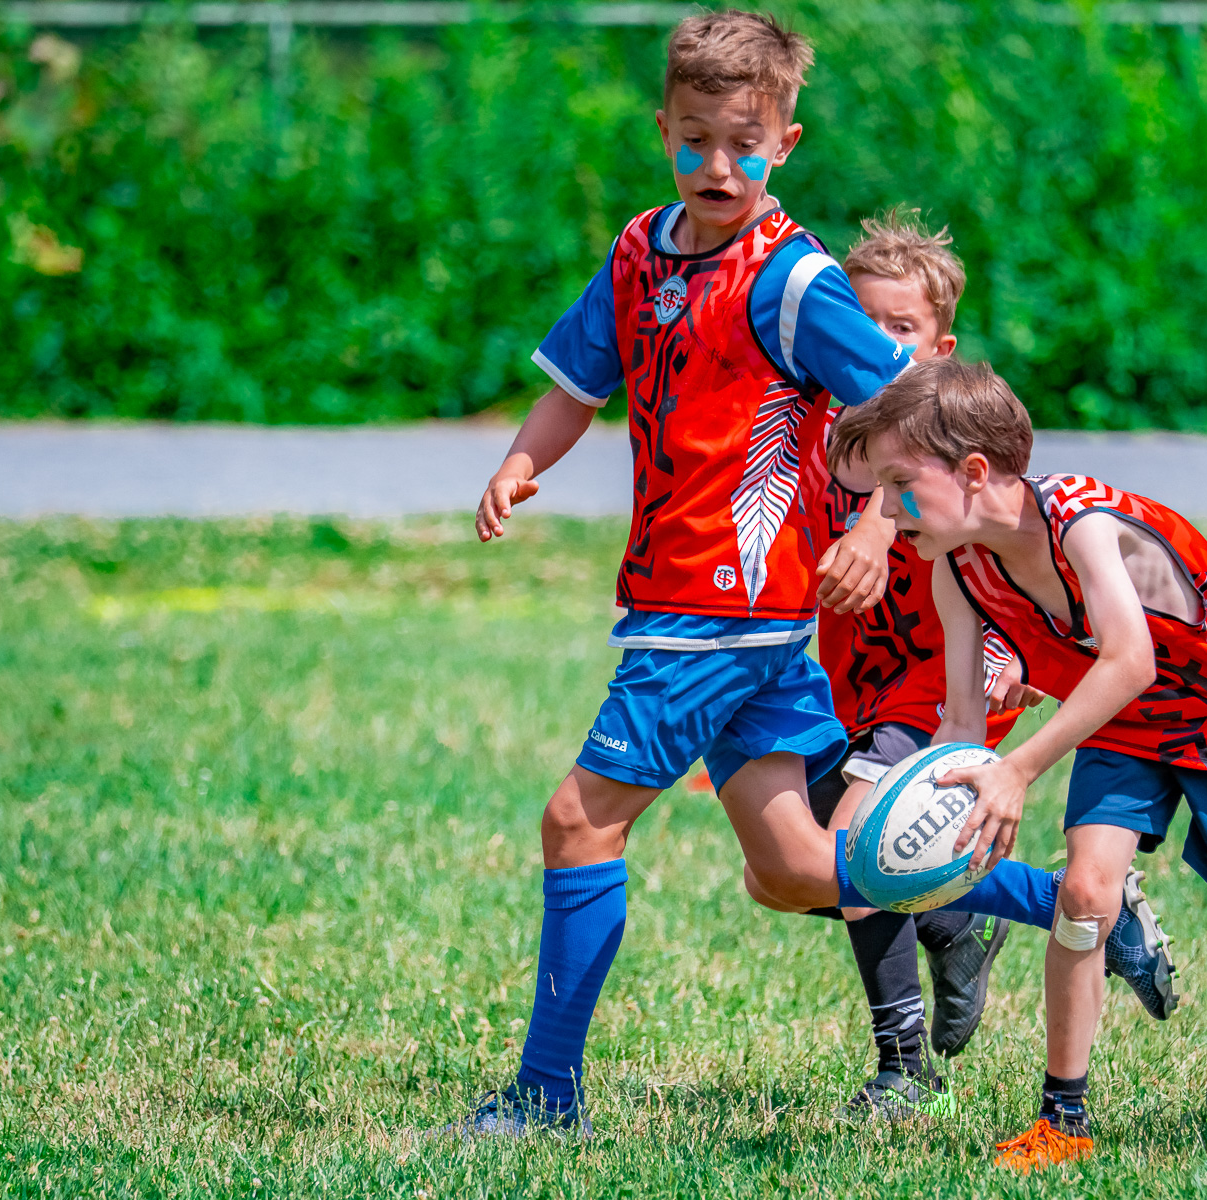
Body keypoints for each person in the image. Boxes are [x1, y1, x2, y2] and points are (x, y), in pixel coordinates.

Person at [445, 10, 1070, 1139]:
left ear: (786, 139)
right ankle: (1076, 903)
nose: (716, 166)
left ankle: (545, 1099)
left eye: (744, 141)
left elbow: (910, 401)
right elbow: (575, 383)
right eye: (694, 141)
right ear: (663, 131)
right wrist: (519, 462)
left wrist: (879, 525)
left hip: (711, 617)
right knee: (794, 867)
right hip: (735, 625)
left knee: (577, 825)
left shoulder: (792, 279)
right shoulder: (640, 251)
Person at [830, 358, 1207, 1168]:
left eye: (897, 485)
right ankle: (1063, 1121)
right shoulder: (955, 564)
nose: (884, 510)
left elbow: (1129, 659)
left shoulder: (1082, 524)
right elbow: (960, 719)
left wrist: (1017, 769)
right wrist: (931, 800)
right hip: (1124, 723)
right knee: (1085, 896)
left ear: (974, 471)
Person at [793, 210, 1041, 1121]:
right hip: (849, 690)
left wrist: (1014, 650)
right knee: (791, 862)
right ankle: (953, 922)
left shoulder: (950, 436)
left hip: (942, 690)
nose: (880, 345)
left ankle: (903, 1070)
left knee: (855, 849)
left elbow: (1014, 551)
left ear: (940, 347)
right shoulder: (813, 427)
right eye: (863, 325)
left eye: (902, 329)